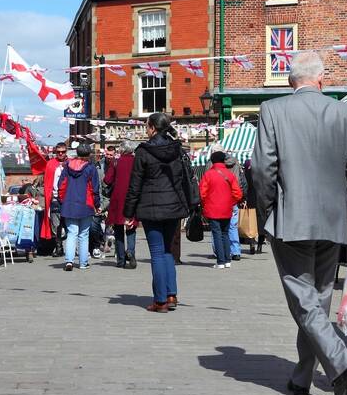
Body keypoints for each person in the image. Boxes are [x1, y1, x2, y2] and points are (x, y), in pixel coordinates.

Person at [251, 52, 347, 395]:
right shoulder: (345, 112)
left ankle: (342, 366)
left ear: (293, 82)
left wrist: (268, 211)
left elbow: (262, 170)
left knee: (304, 302)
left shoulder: (273, 110)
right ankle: (303, 378)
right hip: (333, 221)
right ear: (321, 80)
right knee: (316, 300)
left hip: (291, 219)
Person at [124, 112, 189, 313]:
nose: (145, 129)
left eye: (146, 125)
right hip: (173, 206)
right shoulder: (177, 149)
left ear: (152, 127)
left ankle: (160, 300)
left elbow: (135, 184)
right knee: (168, 251)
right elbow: (183, 178)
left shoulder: (143, 151)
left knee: (157, 253)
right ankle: (171, 294)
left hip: (151, 207)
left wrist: (128, 213)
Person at [57, 143, 101, 271]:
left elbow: (61, 186)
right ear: (88, 155)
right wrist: (97, 204)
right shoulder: (91, 168)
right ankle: (83, 262)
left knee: (72, 233)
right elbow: (95, 189)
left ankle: (69, 261)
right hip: (85, 204)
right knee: (83, 234)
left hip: (69, 204)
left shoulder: (67, 167)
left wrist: (62, 201)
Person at [200, 150, 243, 268]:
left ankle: (220, 261)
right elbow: (238, 193)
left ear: (212, 161)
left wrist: (205, 204)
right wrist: (231, 201)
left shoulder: (208, 174)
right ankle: (228, 260)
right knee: (225, 233)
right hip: (227, 208)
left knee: (217, 234)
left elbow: (202, 193)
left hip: (213, 208)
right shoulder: (229, 174)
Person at [104, 141, 138, 268]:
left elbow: (107, 180)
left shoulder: (116, 162)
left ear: (122, 150)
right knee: (131, 227)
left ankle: (121, 259)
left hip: (118, 198)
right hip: (132, 196)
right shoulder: (136, 161)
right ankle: (131, 251)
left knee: (118, 228)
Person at [44, 142, 68, 257]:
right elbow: (47, 182)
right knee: (55, 224)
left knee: (68, 223)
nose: (60, 154)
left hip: (68, 199)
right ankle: (58, 247)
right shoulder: (50, 164)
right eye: (58, 152)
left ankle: (69, 246)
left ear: (66, 152)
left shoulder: (70, 164)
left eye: (63, 152)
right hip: (54, 198)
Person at [243, 158, 266, 255]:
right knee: (261, 223)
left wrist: (244, 198)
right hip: (262, 200)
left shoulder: (246, 172)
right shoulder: (262, 171)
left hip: (250, 199)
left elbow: (244, 185)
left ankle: (252, 243)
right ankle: (260, 245)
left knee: (251, 223)